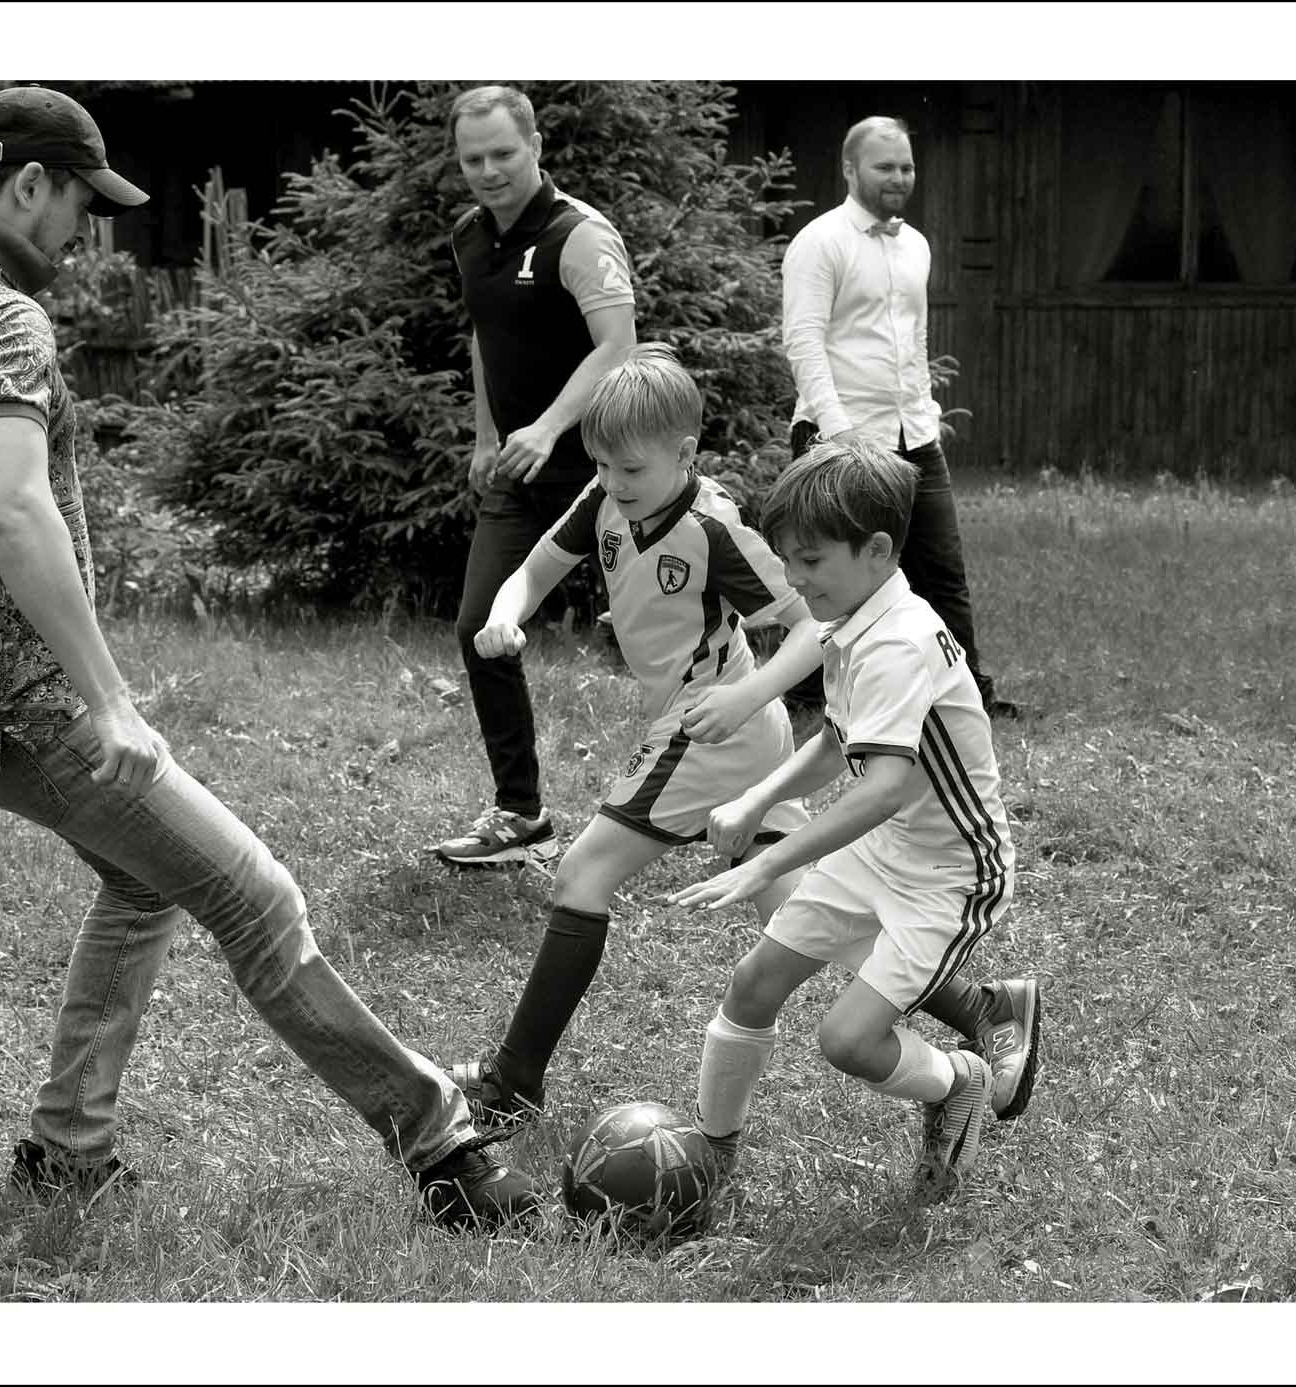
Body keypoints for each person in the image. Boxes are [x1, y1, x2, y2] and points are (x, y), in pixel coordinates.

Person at [0, 85, 536, 1232]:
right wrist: (108, 700)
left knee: (145, 881)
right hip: (32, 704)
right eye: (77, 206)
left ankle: (65, 1150)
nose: (81, 232)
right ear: (30, 185)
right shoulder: (1, 318)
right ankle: (439, 1136)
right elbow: (12, 512)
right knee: (258, 899)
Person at [444, 344, 827, 1128]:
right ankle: (980, 1006)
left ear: (685, 454)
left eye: (631, 471)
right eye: (604, 467)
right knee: (803, 918)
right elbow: (536, 569)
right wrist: (504, 616)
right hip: (731, 731)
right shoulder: (607, 498)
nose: (614, 485)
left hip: (709, 726)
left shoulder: (714, 528)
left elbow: (812, 628)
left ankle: (513, 1081)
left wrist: (743, 695)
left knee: (579, 878)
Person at [671, 436, 1041, 1204]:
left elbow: (878, 787)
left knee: (846, 1040)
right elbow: (844, 738)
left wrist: (769, 861)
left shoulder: (897, 642)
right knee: (753, 983)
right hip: (884, 847)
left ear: (875, 550)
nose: (794, 580)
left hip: (950, 873)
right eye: (787, 560)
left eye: (810, 561)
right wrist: (754, 799)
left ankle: (956, 1081)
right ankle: (710, 1155)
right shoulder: (857, 615)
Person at [431, 84, 639, 867]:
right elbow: (485, 336)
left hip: (607, 469)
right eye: (472, 158)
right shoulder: (468, 234)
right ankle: (520, 816)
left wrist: (550, 427)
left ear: (536, 145)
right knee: (479, 629)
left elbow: (617, 346)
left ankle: (743, 801)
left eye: (502, 155)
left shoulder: (579, 237)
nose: (487, 171)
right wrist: (488, 433)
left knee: (664, 634)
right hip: (518, 472)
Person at [781, 115, 1016, 719]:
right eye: (885, 166)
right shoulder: (820, 242)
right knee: (831, 573)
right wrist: (838, 434)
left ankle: (969, 694)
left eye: (906, 166)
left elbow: (914, 338)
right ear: (850, 168)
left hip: (913, 433)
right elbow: (804, 341)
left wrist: (926, 412)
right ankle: (811, 697)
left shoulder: (915, 245)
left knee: (943, 572)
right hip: (840, 439)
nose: (899, 177)